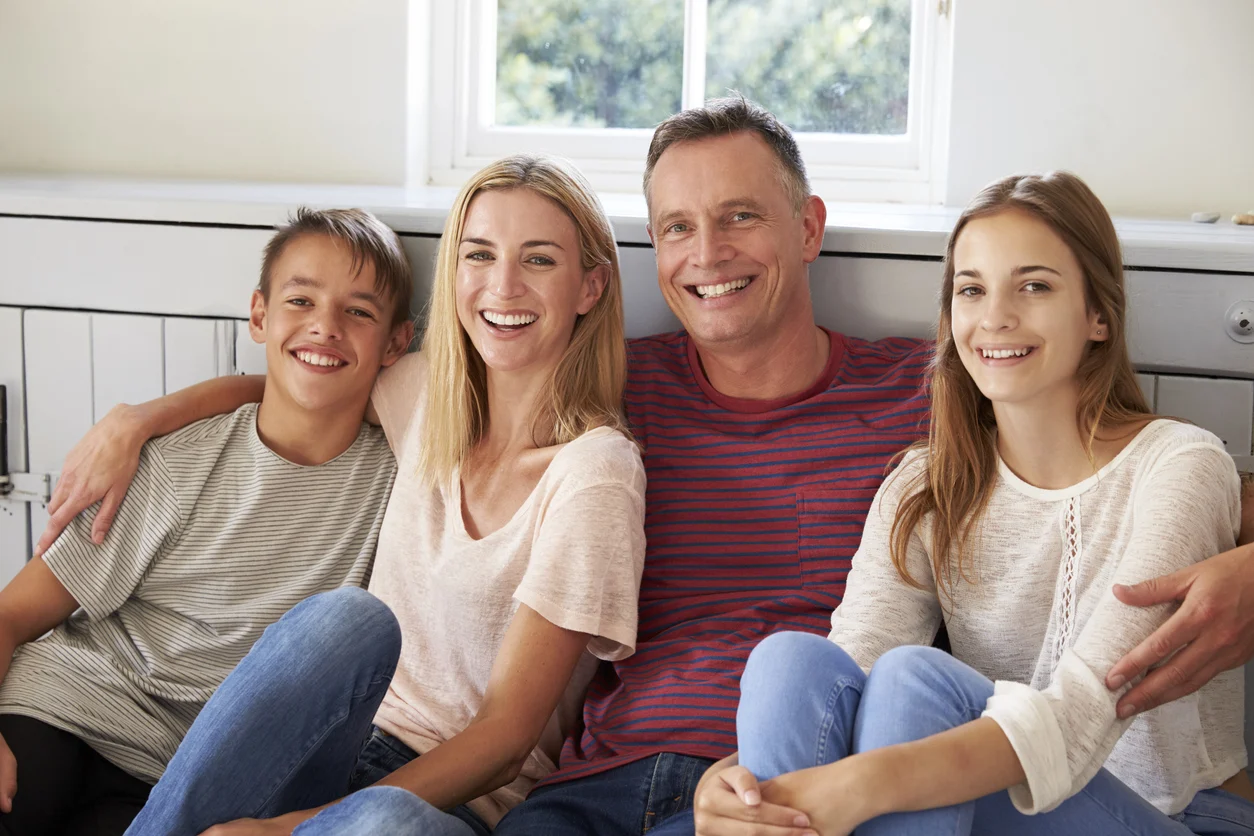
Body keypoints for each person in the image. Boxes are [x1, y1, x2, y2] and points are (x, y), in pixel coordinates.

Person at [35, 98, 1254, 835]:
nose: (707, 253)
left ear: (808, 227)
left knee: (798, 665)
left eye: (740, 219)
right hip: (603, 775)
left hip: (772, 759)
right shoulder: (608, 390)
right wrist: (144, 413)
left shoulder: (931, 389)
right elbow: (337, 366)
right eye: (676, 227)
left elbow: (1134, 465)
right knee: (350, 645)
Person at [695, 171, 1254, 836]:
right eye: (971, 289)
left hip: (1176, 815)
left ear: (1097, 314)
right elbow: (848, 677)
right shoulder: (925, 485)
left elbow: (1079, 717)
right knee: (788, 663)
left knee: (914, 685)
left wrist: (867, 783)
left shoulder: (1179, 466)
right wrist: (734, 783)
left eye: (1035, 286)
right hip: (995, 812)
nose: (996, 317)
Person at [122, 154, 646, 836]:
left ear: (590, 287)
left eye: (539, 260)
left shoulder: (594, 473)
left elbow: (506, 737)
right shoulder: (426, 397)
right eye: (479, 254)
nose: (503, 285)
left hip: (449, 802)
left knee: (383, 822)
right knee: (349, 619)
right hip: (338, 750)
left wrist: (294, 827)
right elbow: (294, 386)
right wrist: (136, 422)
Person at [0, 207, 413, 836]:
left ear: (396, 343)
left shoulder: (398, 484)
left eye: (358, 311)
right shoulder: (175, 459)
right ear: (259, 316)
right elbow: (10, 614)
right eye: (300, 300)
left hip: (186, 774)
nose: (325, 327)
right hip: (64, 704)